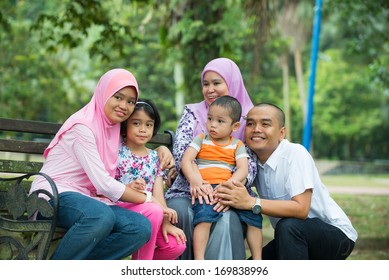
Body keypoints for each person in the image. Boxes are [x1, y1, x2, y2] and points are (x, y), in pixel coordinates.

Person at [30, 68, 174, 260]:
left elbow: (134, 149)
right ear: (104, 93)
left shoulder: (112, 127)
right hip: (52, 195)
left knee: (139, 227)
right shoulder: (83, 126)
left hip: (90, 199)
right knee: (100, 216)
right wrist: (148, 198)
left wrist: (160, 150)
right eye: (118, 97)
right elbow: (103, 183)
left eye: (130, 101)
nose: (124, 105)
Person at [214, 103, 358, 260]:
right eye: (250, 123)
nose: (256, 129)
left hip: (336, 235)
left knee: (288, 226)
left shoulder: (295, 154)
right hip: (290, 236)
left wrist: (251, 202)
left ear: (281, 133)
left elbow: (301, 209)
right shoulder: (251, 162)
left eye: (265, 124)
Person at [165, 57, 255, 260]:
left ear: (231, 83)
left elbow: (250, 164)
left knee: (227, 218)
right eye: (206, 84)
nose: (210, 89)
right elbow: (181, 151)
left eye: (217, 83)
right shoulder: (193, 112)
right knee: (180, 211)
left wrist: (225, 190)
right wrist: (198, 180)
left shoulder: (248, 117)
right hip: (188, 188)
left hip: (228, 191)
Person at [181, 96, 262, 260]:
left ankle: (257, 259)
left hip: (229, 186)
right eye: (210, 119)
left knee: (254, 217)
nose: (212, 125)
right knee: (204, 218)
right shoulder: (202, 139)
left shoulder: (237, 145)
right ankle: (199, 258)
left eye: (220, 121)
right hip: (207, 188)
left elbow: (243, 169)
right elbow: (186, 160)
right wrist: (193, 178)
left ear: (235, 126)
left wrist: (229, 184)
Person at [115, 99, 186, 260]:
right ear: (125, 125)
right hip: (121, 209)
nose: (143, 129)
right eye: (136, 123)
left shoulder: (154, 158)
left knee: (176, 245)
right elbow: (108, 186)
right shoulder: (117, 152)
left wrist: (167, 223)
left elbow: (158, 194)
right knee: (153, 210)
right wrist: (129, 186)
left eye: (148, 125)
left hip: (152, 214)